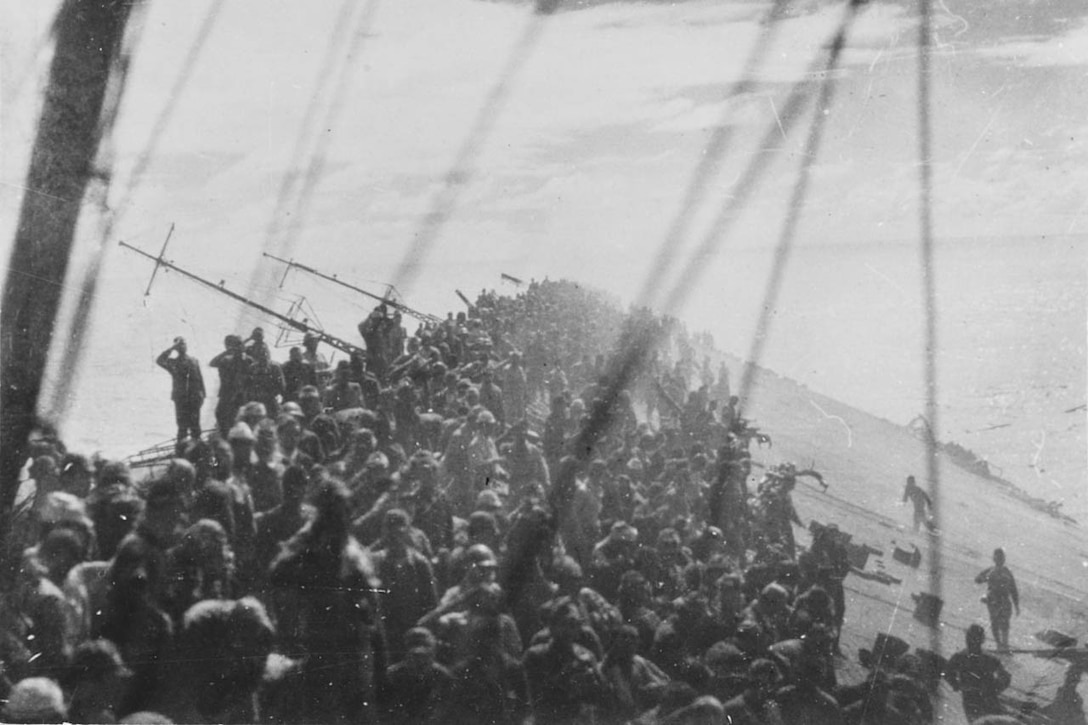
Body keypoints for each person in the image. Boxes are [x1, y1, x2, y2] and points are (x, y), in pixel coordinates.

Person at [945, 623, 1011, 722]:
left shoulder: (960, 657)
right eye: (970, 638)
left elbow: (947, 673)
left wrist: (958, 685)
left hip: (976, 700)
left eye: (972, 638)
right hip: (981, 699)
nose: (970, 641)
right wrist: (996, 688)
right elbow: (1005, 677)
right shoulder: (988, 658)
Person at [156, 336, 206, 452]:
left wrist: (203, 394)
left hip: (194, 398)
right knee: (182, 427)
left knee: (195, 427)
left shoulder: (194, 361)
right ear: (177, 348)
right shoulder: (173, 363)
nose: (183, 346)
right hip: (181, 399)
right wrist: (172, 348)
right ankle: (181, 451)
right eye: (180, 345)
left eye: (184, 344)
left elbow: (200, 379)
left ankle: (198, 451)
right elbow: (159, 360)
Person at [974, 548, 1019, 651]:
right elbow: (977, 579)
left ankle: (1004, 644)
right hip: (993, 599)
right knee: (995, 622)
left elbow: (1013, 589)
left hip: (1003, 600)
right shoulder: (991, 570)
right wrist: (986, 578)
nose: (1000, 560)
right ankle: (1000, 645)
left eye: (1001, 557)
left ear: (1004, 559)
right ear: (994, 559)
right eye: (998, 557)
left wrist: (1016, 605)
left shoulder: (1007, 572)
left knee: (1004, 622)